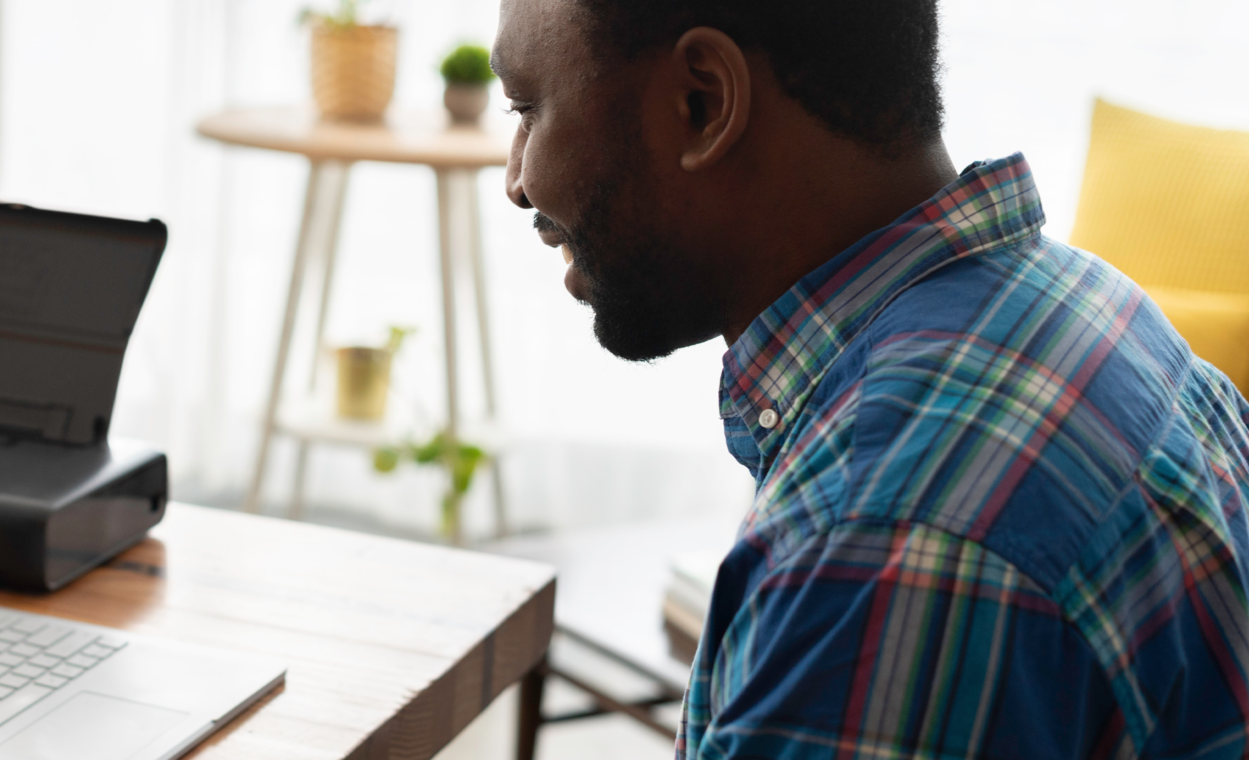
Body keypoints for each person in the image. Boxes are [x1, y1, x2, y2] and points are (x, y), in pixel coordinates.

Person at [490, 0, 1249, 756]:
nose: (517, 180)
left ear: (703, 103)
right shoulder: (1093, 307)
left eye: (528, 106)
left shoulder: (875, 547)